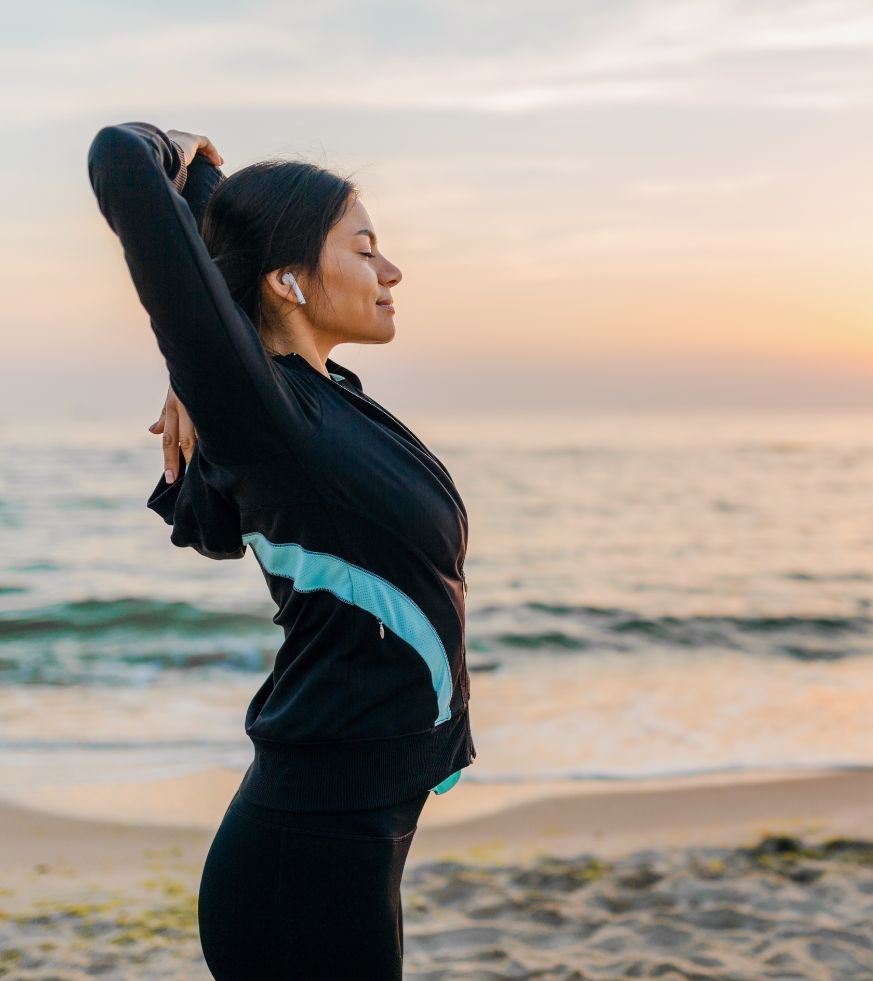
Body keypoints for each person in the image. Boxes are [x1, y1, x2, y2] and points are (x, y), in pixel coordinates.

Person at [87, 121, 476, 980]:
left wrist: (209, 188)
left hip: (356, 846)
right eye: (366, 248)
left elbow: (228, 282)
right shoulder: (267, 417)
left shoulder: (326, 401)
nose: (392, 270)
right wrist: (168, 143)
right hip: (300, 859)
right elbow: (119, 159)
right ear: (290, 281)